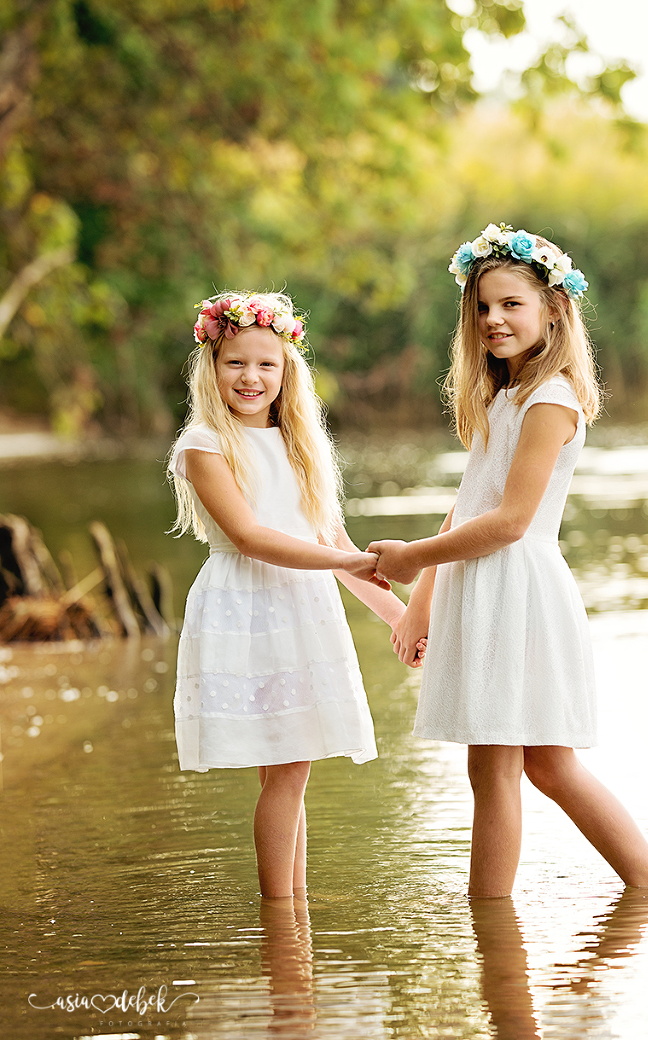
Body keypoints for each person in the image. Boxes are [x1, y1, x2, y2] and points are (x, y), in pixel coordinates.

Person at [369, 223, 648, 896]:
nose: (493, 320)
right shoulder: (502, 395)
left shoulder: (552, 398)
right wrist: (420, 601)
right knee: (531, 766)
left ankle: (501, 928)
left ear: (553, 310)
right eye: (481, 308)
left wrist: (413, 557)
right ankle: (647, 888)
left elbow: (509, 521)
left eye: (511, 304)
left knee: (515, 767)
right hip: (484, 584)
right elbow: (469, 501)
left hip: (518, 586)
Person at [168, 290, 412, 899]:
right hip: (248, 606)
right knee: (288, 770)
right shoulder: (203, 445)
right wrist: (344, 559)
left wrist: (403, 620)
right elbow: (252, 538)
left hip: (303, 606)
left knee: (290, 769)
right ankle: (281, 917)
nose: (251, 377)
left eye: (265, 364)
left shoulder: (302, 445)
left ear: (287, 369)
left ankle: (290, 931)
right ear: (211, 367)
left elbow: (333, 539)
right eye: (235, 364)